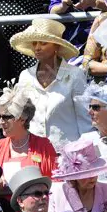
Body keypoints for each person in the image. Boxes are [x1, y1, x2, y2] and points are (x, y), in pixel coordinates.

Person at [12, 19, 90, 148]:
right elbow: (21, 117)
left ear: (56, 46)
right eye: (34, 43)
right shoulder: (25, 76)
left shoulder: (75, 75)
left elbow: (85, 119)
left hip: (69, 152)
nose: (37, 48)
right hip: (34, 150)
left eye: (43, 43)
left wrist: (85, 151)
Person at [0, 83, 59, 180]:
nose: (1, 122)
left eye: (6, 117)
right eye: (0, 116)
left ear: (23, 118)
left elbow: (55, 182)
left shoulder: (43, 146)